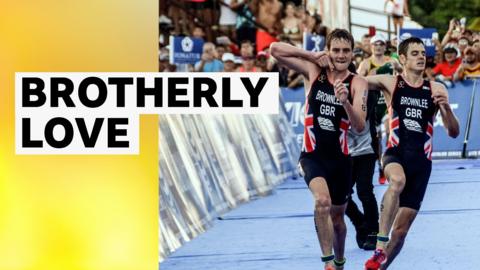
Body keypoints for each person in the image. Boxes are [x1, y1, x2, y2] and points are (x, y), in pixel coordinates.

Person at [270, 29, 368, 270]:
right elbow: (274, 49)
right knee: (321, 202)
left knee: (338, 219)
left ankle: (340, 260)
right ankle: (328, 263)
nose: (341, 55)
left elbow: (358, 126)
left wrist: (345, 101)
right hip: (312, 155)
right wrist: (311, 55)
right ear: (328, 50)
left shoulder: (358, 82)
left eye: (346, 51)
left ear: (352, 53)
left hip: (342, 160)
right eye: (336, 50)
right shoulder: (314, 71)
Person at [359, 37, 460, 269]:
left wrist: (444, 108)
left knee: (402, 232)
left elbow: (454, 132)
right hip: (396, 153)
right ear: (402, 58)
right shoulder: (390, 82)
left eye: (423, 53)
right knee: (396, 181)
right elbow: (357, 81)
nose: (421, 57)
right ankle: (379, 246)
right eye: (414, 53)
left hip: (422, 164)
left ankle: (380, 266)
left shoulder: (436, 88)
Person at [358, 34, 402, 185]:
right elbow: (357, 81)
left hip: (388, 103)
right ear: (371, 46)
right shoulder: (366, 63)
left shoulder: (392, 61)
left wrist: (398, 69)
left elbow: (404, 73)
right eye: (375, 44)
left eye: (381, 44)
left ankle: (392, 162)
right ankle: (380, 166)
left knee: (390, 132)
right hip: (373, 105)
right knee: (376, 140)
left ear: (385, 47)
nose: (378, 47)